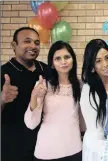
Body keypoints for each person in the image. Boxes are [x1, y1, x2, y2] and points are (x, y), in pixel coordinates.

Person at [24, 41, 83, 161]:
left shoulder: (80, 86)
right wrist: (34, 96)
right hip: (47, 151)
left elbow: (82, 120)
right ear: (52, 63)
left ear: (73, 59)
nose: (63, 61)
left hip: (74, 149)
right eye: (58, 58)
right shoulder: (43, 85)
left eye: (67, 57)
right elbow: (31, 124)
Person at [1, 27, 48, 161]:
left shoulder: (47, 70)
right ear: (14, 45)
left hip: (43, 147)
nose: (33, 46)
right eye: (27, 41)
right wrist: (2, 99)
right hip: (12, 148)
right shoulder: (3, 73)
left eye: (37, 43)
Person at [80, 39, 108, 161]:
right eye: (98, 61)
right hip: (98, 150)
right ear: (92, 67)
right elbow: (95, 131)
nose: (105, 64)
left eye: (107, 58)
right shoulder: (88, 91)